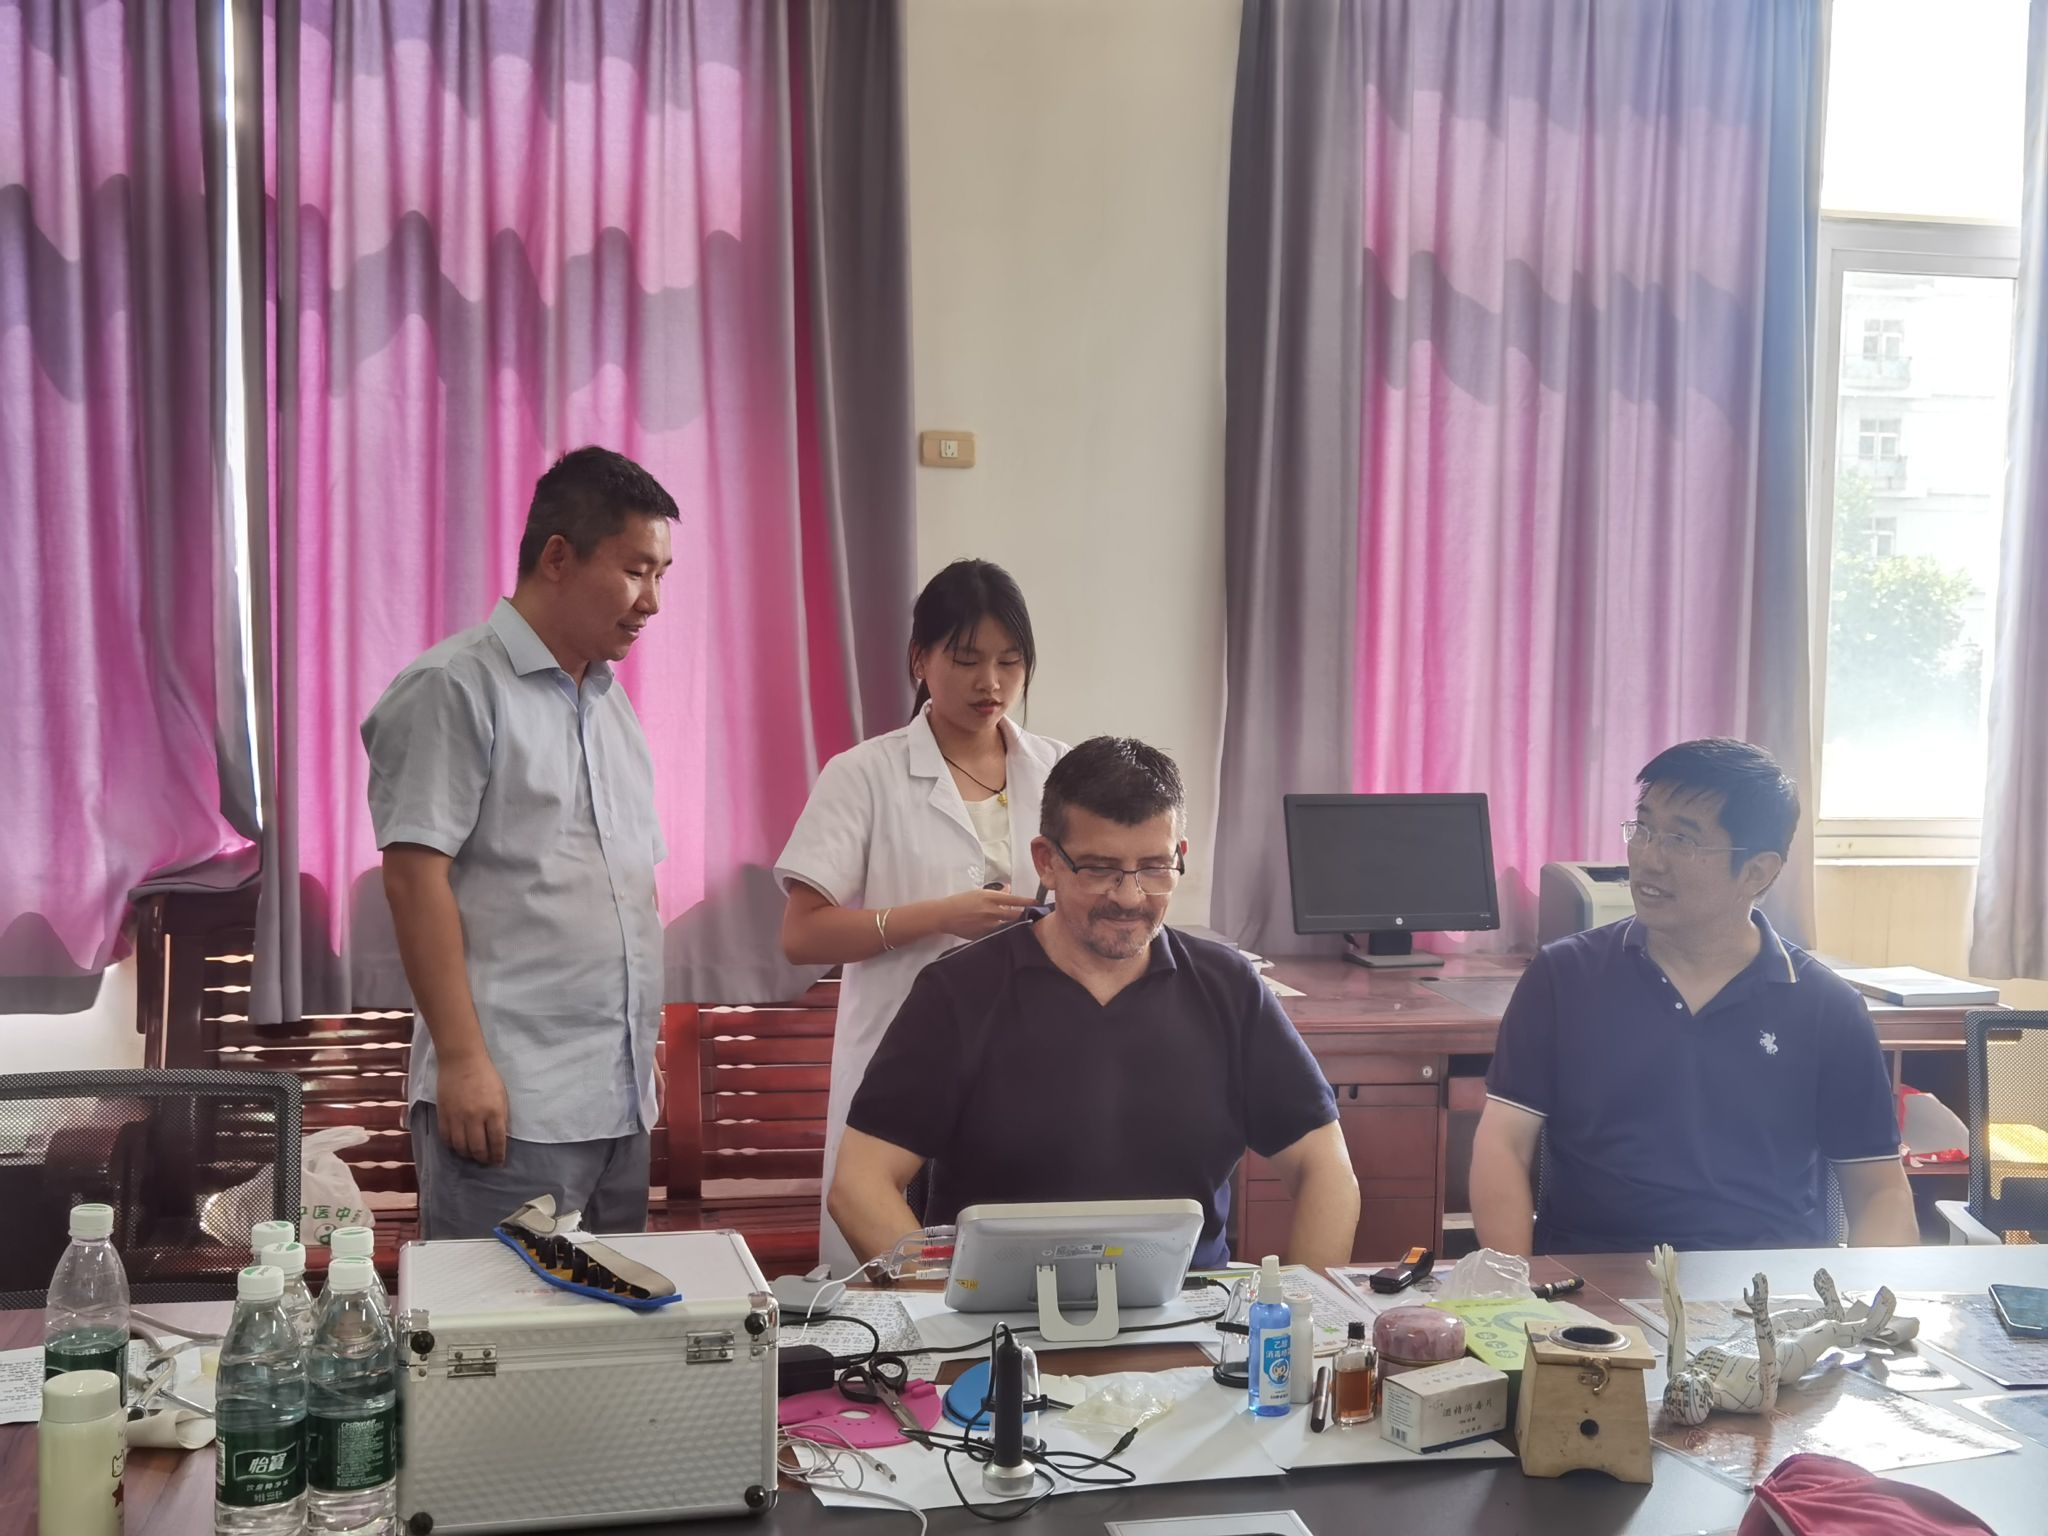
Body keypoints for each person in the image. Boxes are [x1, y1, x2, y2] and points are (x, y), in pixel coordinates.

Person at [828, 737, 1361, 1271]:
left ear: (1180, 855)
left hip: (1191, 1305)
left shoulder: (1229, 989)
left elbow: (1325, 1168)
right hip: (998, 1310)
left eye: (1154, 867)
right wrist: (947, 1299)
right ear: (1047, 862)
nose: (1129, 897)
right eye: (1100, 869)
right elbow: (859, 1186)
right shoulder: (958, 992)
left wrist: (1302, 1305)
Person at [362, 447, 676, 1240]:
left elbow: (629, 888)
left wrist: (639, 1051)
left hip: (618, 1104)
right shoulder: (454, 685)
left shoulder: (610, 705)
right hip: (510, 1102)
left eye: (661, 575)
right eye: (635, 571)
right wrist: (464, 1061)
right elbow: (413, 880)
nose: (652, 601)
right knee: (501, 1322)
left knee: (620, 1319)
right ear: (558, 558)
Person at [1471, 737, 1918, 1256]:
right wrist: (1515, 1284)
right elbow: (1503, 1143)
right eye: (1644, 829)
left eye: (1682, 840)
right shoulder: (1564, 976)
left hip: (1765, 1286)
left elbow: (1879, 1190)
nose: (1648, 858)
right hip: (1595, 1278)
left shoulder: (1826, 1007)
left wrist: (1868, 1298)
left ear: (1758, 871)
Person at [776, 560, 1064, 1275]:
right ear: (920, 660)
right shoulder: (863, 774)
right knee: (893, 1279)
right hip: (900, 1067)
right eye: (965, 660)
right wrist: (937, 917)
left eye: (1009, 661)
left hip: (1030, 1066)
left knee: (1015, 1278)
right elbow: (802, 935)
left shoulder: (1060, 773)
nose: (990, 683)